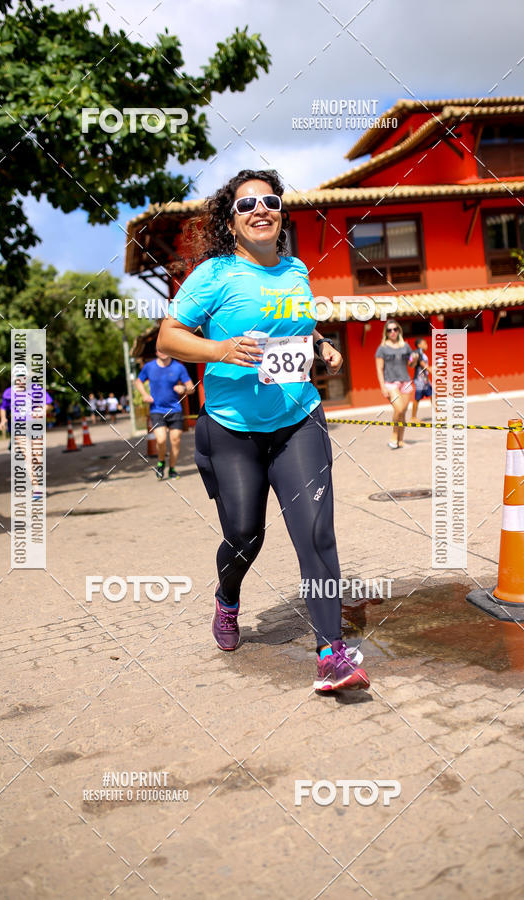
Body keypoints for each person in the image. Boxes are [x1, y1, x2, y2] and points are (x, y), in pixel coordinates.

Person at [158, 168, 370, 692]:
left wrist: (320, 343)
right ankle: (227, 599)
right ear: (230, 221)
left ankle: (331, 653)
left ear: (281, 213)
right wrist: (218, 349)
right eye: (246, 204)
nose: (260, 210)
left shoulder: (296, 269)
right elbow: (168, 338)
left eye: (270, 201)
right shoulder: (214, 275)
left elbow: (295, 324)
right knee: (245, 535)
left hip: (299, 419)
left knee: (317, 532)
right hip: (233, 429)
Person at [136, 350, 195, 479]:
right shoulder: (149, 367)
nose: (162, 352)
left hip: (175, 410)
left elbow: (192, 388)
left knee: (175, 441)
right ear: (156, 352)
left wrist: (184, 389)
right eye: (159, 349)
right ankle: (161, 462)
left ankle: (172, 469)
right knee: (161, 440)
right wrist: (144, 395)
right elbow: (138, 381)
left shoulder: (178, 367)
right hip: (157, 410)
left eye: (165, 349)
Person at [375, 320, 417, 449]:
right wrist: (382, 386)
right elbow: (379, 369)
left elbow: (411, 364)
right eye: (389, 330)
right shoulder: (382, 348)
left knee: (403, 413)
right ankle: (394, 436)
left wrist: (414, 359)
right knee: (398, 409)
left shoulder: (405, 346)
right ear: (386, 333)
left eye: (395, 329)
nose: (392, 332)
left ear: (399, 330)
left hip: (405, 382)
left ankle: (400, 441)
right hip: (390, 383)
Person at [0, 379, 53, 450]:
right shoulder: (8, 392)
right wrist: (3, 419)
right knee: (27, 454)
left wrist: (42, 410)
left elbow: (49, 405)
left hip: (35, 424)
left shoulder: (36, 389)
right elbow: (3, 407)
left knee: (36, 454)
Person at [411, 337, 433, 423]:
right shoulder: (418, 352)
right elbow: (422, 364)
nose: (426, 345)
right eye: (425, 343)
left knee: (433, 395)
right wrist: (432, 371)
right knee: (417, 398)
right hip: (419, 380)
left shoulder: (423, 354)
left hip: (425, 380)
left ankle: (438, 414)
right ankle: (413, 417)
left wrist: (431, 369)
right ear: (419, 345)